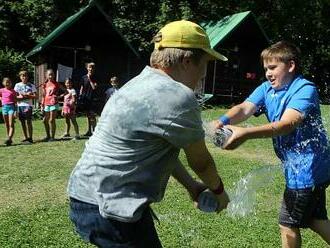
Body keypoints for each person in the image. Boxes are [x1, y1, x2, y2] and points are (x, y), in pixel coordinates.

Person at [68, 20, 230, 248]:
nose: (201, 78)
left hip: (87, 197)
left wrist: (191, 186)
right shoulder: (177, 95)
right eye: (202, 68)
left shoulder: (137, 84)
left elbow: (158, 146)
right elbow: (201, 161)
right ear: (186, 61)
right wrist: (219, 191)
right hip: (110, 208)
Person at [216, 41, 330, 248]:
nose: (268, 73)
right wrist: (222, 121)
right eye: (266, 68)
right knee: (316, 220)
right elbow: (244, 108)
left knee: (287, 225)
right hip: (307, 169)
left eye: (272, 67)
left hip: (307, 170)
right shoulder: (267, 89)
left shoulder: (304, 89)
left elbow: (288, 124)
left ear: (291, 66)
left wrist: (246, 134)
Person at [14, 70, 37, 144]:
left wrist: (28, 95)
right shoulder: (17, 85)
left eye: (25, 75)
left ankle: (30, 138)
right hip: (20, 105)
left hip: (28, 106)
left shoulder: (31, 85)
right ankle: (26, 137)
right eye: (22, 76)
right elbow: (15, 97)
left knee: (28, 121)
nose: (24, 77)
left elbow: (35, 96)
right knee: (22, 122)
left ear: (28, 76)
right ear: (20, 77)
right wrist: (22, 97)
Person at [41, 69, 60, 142]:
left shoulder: (56, 84)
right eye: (49, 75)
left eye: (52, 74)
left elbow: (66, 91)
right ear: (46, 76)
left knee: (52, 120)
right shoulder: (45, 84)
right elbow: (43, 95)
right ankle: (48, 136)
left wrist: (58, 97)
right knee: (45, 120)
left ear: (54, 75)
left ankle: (53, 137)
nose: (51, 76)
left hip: (54, 104)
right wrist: (42, 105)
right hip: (46, 103)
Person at [79, 62, 98, 136]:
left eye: (92, 67)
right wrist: (80, 96)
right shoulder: (83, 77)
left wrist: (90, 79)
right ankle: (89, 131)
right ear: (87, 68)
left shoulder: (95, 77)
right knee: (88, 115)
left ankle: (95, 131)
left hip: (92, 99)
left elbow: (94, 88)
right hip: (85, 98)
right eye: (89, 67)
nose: (91, 69)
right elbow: (82, 87)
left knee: (92, 115)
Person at [0, 77, 16, 146]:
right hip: (4, 108)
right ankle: (9, 139)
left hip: (11, 107)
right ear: (3, 83)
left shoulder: (13, 91)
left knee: (11, 124)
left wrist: (16, 111)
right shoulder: (1, 90)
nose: (7, 83)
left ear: (11, 83)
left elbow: (16, 101)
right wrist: (1, 99)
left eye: (9, 82)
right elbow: (0, 96)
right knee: (6, 124)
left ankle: (9, 138)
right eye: (6, 82)